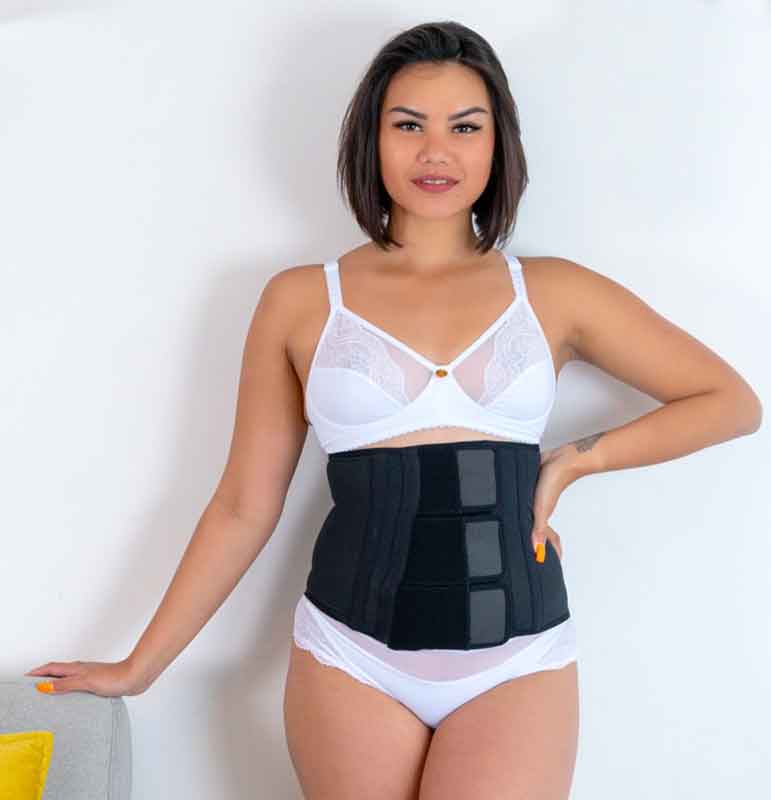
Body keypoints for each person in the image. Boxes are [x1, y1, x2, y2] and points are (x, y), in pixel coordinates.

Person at [25, 20, 762, 800]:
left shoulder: (554, 291)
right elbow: (243, 504)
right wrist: (140, 667)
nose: (435, 152)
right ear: (370, 140)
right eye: (408, 125)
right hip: (349, 656)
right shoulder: (300, 300)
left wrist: (576, 461)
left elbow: (728, 401)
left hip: (517, 661)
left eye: (463, 127)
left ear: (497, 144)